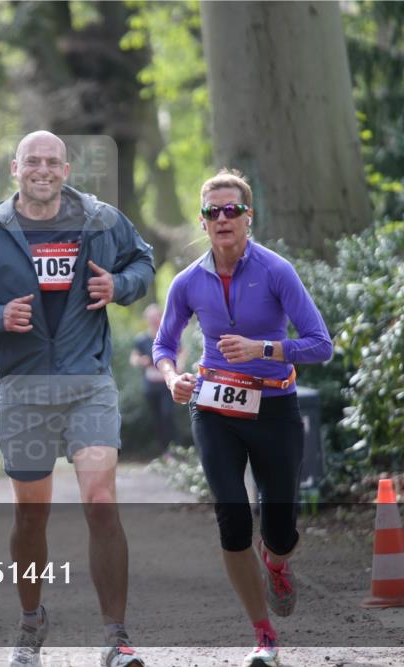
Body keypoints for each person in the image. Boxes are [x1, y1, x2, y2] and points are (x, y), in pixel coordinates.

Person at [0, 131, 154, 667]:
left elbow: (142, 262)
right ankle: (31, 622)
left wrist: (118, 288)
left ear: (66, 169)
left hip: (88, 383)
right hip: (22, 388)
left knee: (100, 502)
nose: (43, 170)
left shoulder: (101, 220)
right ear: (15, 169)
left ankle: (116, 640)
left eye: (52, 161)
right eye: (33, 161)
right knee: (32, 516)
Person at [151, 169, 332, 667]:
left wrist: (265, 348)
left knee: (280, 528)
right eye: (213, 212)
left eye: (232, 210)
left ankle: (276, 561)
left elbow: (321, 344)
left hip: (274, 405)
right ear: (203, 221)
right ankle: (264, 635)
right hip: (214, 408)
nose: (223, 219)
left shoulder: (276, 271)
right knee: (232, 520)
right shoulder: (188, 282)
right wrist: (173, 379)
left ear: (249, 217)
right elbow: (164, 345)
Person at [129, 304, 182, 455]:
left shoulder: (168, 336)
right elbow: (133, 358)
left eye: (156, 316)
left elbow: (182, 352)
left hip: (167, 384)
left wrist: (178, 366)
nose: (154, 320)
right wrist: (141, 361)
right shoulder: (141, 339)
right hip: (150, 385)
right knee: (157, 418)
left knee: (168, 415)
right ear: (146, 319)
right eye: (151, 317)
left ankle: (176, 450)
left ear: (161, 317)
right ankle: (164, 452)